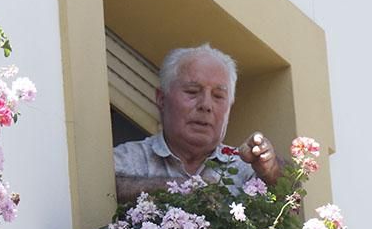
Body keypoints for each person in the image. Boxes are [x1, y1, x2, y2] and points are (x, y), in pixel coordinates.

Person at [113, 44, 282, 203]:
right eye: (192, 92)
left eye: (218, 96)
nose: (206, 105)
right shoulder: (128, 158)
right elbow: (100, 187)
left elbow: (288, 195)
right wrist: (179, 187)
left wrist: (270, 171)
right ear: (162, 99)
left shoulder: (243, 168)